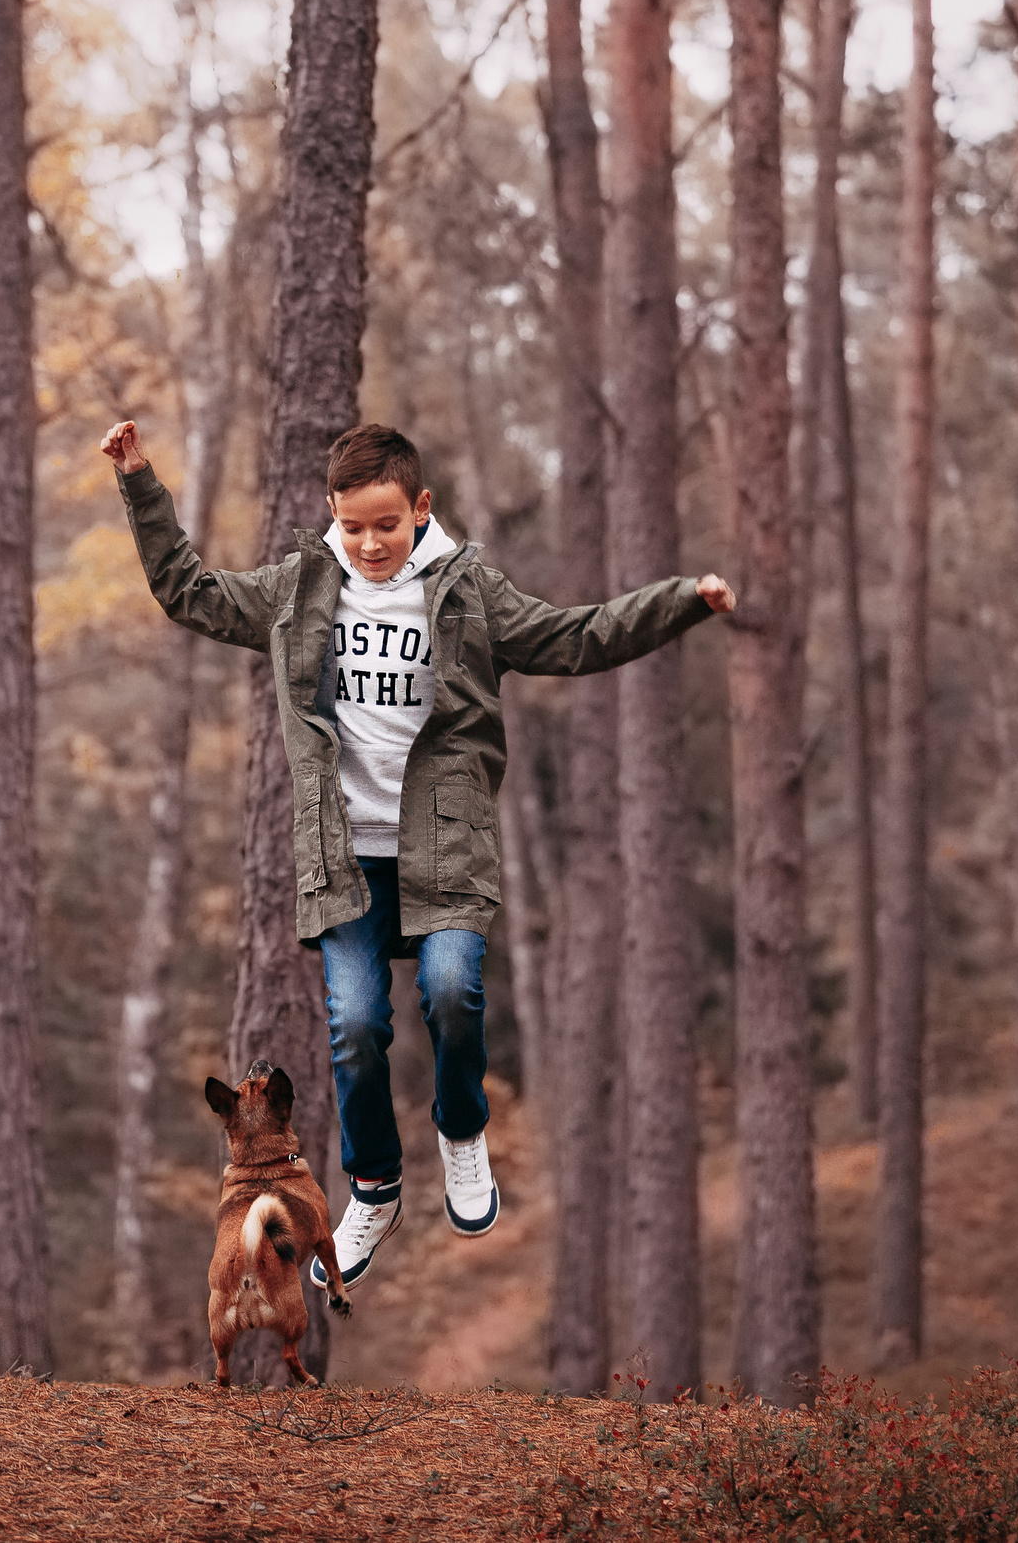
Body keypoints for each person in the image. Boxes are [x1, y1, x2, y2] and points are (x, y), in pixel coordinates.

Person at [100, 417, 735, 1292]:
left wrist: (682, 602)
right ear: (331, 513)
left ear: (421, 508)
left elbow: (575, 635)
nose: (369, 544)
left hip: (445, 847)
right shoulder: (299, 591)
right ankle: (375, 1184)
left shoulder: (469, 593)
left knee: (450, 989)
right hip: (347, 857)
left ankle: (463, 1132)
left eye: (387, 526)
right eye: (353, 526)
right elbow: (188, 591)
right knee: (355, 1025)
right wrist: (138, 478)